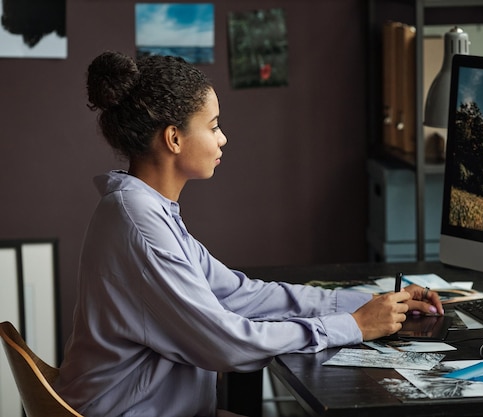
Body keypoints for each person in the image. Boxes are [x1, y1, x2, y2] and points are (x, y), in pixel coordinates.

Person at [55, 51, 444, 417]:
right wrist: (355, 326)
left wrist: (372, 303)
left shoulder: (144, 210)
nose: (222, 138)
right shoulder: (138, 223)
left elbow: (242, 295)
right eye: (213, 126)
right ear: (174, 138)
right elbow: (226, 344)